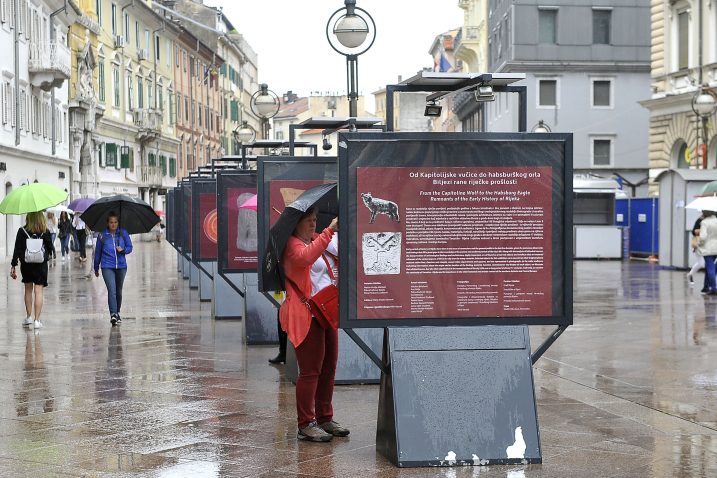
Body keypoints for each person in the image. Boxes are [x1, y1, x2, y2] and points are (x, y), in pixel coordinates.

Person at [280, 207, 346, 442]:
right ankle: (306, 423)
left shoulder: (318, 239)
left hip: (326, 309)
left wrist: (335, 231)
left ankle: (325, 417)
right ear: (296, 224)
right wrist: (329, 231)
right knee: (310, 371)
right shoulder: (292, 245)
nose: (312, 224)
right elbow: (306, 257)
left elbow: (336, 248)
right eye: (308, 221)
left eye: (315, 220)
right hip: (306, 313)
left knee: (329, 367)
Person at [10, 211, 53, 329]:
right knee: (38, 291)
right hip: (40, 265)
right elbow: (51, 249)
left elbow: (17, 249)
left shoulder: (22, 231)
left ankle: (28, 317)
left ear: (28, 218)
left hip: (26, 264)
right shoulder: (45, 231)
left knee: (28, 290)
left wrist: (14, 264)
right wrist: (45, 256)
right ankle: (37, 321)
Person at [94, 212, 133, 325]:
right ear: (107, 223)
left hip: (121, 266)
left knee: (118, 291)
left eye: (115, 222)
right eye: (111, 222)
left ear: (118, 223)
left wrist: (123, 249)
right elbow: (98, 253)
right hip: (107, 266)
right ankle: (113, 314)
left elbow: (130, 247)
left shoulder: (123, 233)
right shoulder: (102, 235)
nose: (113, 224)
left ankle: (117, 312)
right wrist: (96, 268)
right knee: (112, 290)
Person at [698, 210, 717, 296]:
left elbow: (703, 237)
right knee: (710, 267)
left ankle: (713, 288)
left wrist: (699, 244)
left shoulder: (704, 222)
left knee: (710, 268)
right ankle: (706, 286)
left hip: (708, 248)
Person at [688, 214, 706, 288]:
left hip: (709, 245)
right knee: (701, 264)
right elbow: (693, 232)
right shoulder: (700, 220)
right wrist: (703, 231)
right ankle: (690, 274)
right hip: (699, 244)